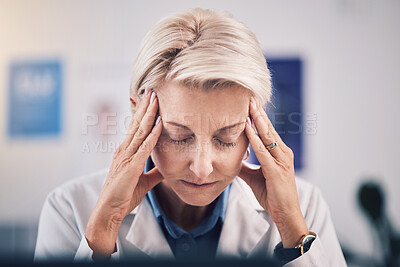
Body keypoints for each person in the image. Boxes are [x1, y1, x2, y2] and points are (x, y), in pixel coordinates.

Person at [34, 8, 347, 266]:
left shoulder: (305, 206)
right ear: (138, 116)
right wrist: (103, 230)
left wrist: (292, 229)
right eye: (178, 136)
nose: (201, 168)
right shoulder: (69, 208)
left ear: (256, 125)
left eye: (226, 138)